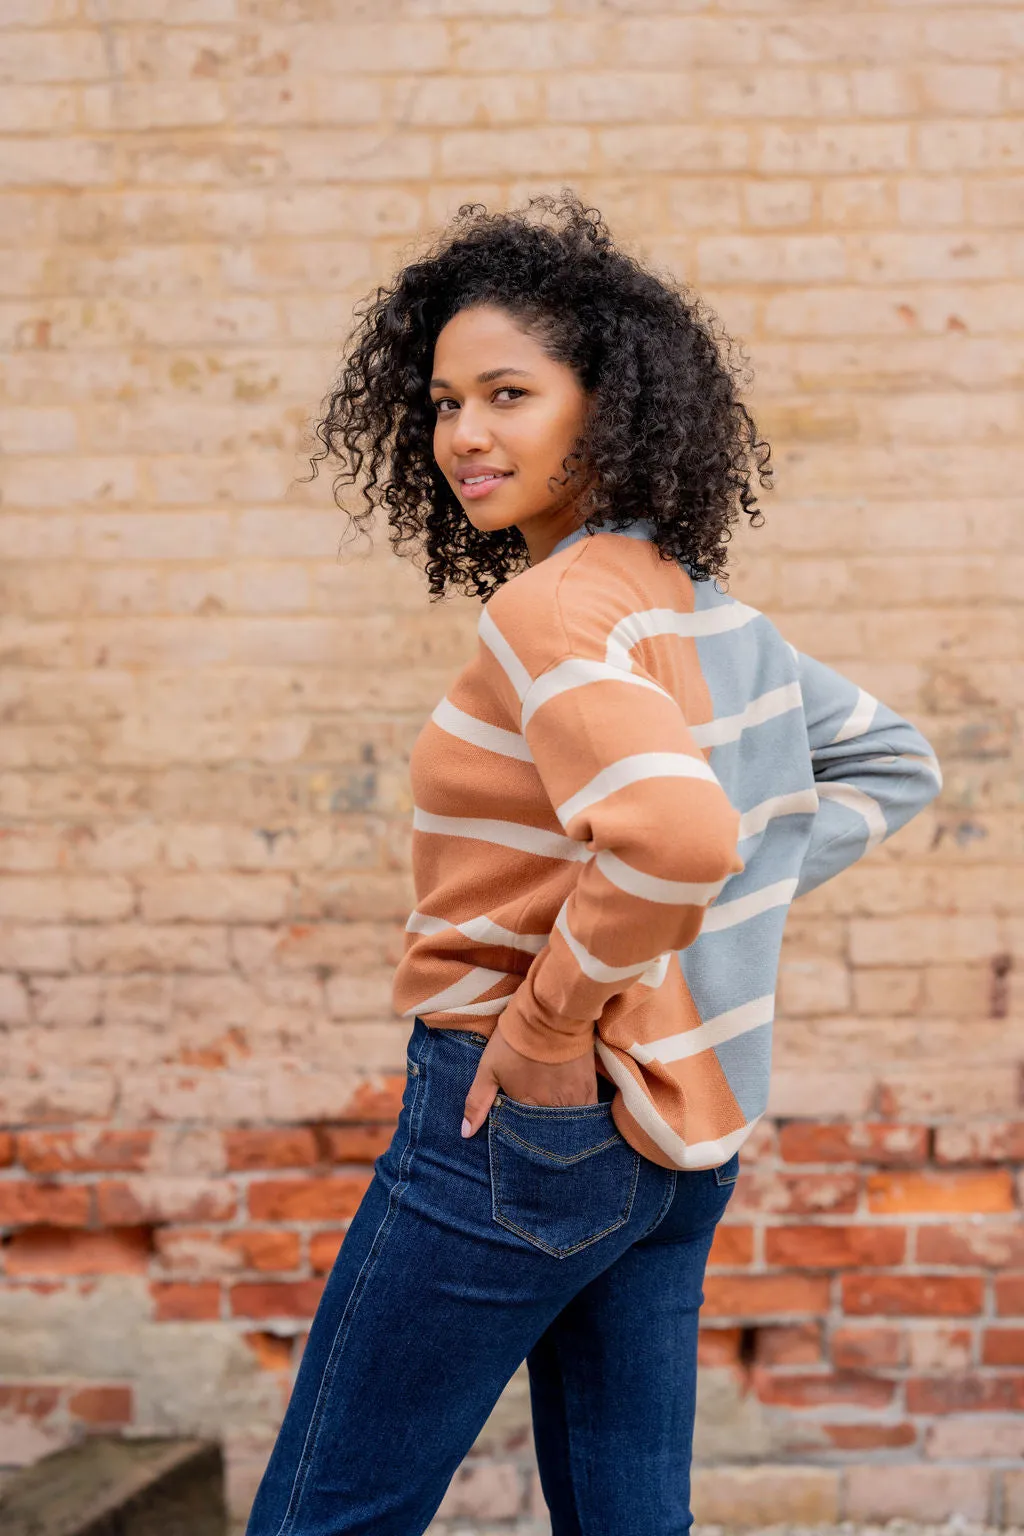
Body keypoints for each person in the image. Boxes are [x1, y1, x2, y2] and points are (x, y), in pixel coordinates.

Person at [246, 191, 942, 1536]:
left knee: (328, 1514)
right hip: (683, 1135)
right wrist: (703, 919)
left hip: (525, 1118)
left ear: (605, 404)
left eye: (509, 393)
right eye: (444, 401)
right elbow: (884, 766)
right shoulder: (705, 610)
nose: (464, 435)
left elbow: (678, 836)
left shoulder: (555, 607)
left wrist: (557, 1016)